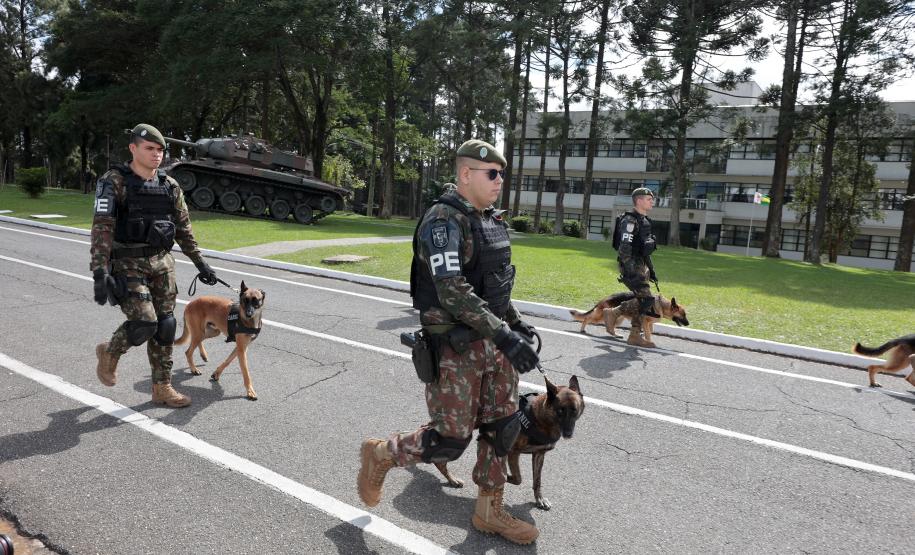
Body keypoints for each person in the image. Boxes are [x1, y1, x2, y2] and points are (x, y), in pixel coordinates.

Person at [357, 139, 541, 545]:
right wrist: (505, 334)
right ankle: (383, 453)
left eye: (502, 174)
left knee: (503, 427)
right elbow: (453, 290)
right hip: (457, 349)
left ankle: (489, 511)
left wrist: (517, 325)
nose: (499, 182)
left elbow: (496, 290)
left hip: (494, 345)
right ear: (465, 175)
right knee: (449, 441)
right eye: (492, 174)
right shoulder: (443, 221)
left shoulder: (489, 220)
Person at [90, 123, 218, 407]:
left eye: (160, 150)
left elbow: (184, 230)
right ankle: (109, 352)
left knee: (166, 326)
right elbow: (102, 229)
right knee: (144, 322)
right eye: (149, 148)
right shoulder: (114, 182)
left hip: (162, 263)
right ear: (133, 148)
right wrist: (99, 272)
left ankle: (162, 388)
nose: (156, 154)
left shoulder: (169, 186)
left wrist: (201, 264)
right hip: (127, 262)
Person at [615, 186, 661, 347]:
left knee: (643, 298)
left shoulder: (644, 221)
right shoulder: (629, 221)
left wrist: (652, 270)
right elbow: (624, 248)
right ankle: (634, 335)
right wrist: (630, 270)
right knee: (647, 299)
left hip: (641, 264)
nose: (652, 202)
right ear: (639, 201)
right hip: (631, 264)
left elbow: (644, 249)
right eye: (649, 199)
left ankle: (613, 314)